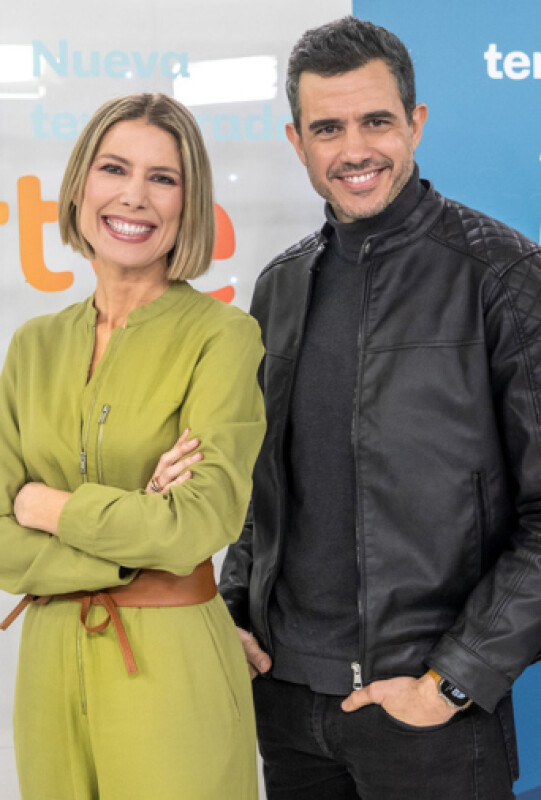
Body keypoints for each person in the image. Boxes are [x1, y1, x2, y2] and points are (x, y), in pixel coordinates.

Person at [219, 16, 541, 800]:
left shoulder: (500, 275)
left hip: (427, 720)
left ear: (415, 122)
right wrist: (233, 612)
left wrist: (452, 681)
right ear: (296, 141)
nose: (354, 150)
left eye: (375, 121)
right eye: (327, 128)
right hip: (287, 708)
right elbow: (263, 491)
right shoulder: (279, 286)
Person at [0, 92, 265, 800]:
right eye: (114, 168)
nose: (134, 196)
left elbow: (197, 522)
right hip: (47, 668)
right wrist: (135, 525)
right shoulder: (32, 346)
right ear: (80, 184)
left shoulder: (222, 336)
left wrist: (45, 506)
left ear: (188, 202)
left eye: (163, 178)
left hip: (171, 664)